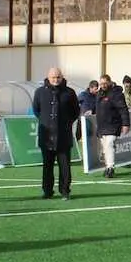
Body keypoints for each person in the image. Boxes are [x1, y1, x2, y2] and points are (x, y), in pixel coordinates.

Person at [31, 68, 81, 200]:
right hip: (46, 136)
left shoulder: (70, 93)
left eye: (58, 77)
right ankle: (47, 191)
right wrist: (46, 121)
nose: (56, 80)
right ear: (48, 77)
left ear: (62, 77)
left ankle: (65, 191)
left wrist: (66, 123)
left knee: (65, 166)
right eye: (53, 77)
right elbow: (36, 110)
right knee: (47, 166)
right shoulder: (40, 92)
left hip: (63, 136)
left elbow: (75, 111)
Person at [94, 74, 130, 179]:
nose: (103, 85)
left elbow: (123, 109)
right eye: (101, 83)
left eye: (105, 83)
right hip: (101, 126)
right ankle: (107, 166)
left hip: (113, 125)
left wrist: (126, 124)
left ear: (110, 82)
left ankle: (110, 167)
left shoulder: (116, 94)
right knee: (105, 147)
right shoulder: (99, 94)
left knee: (109, 145)